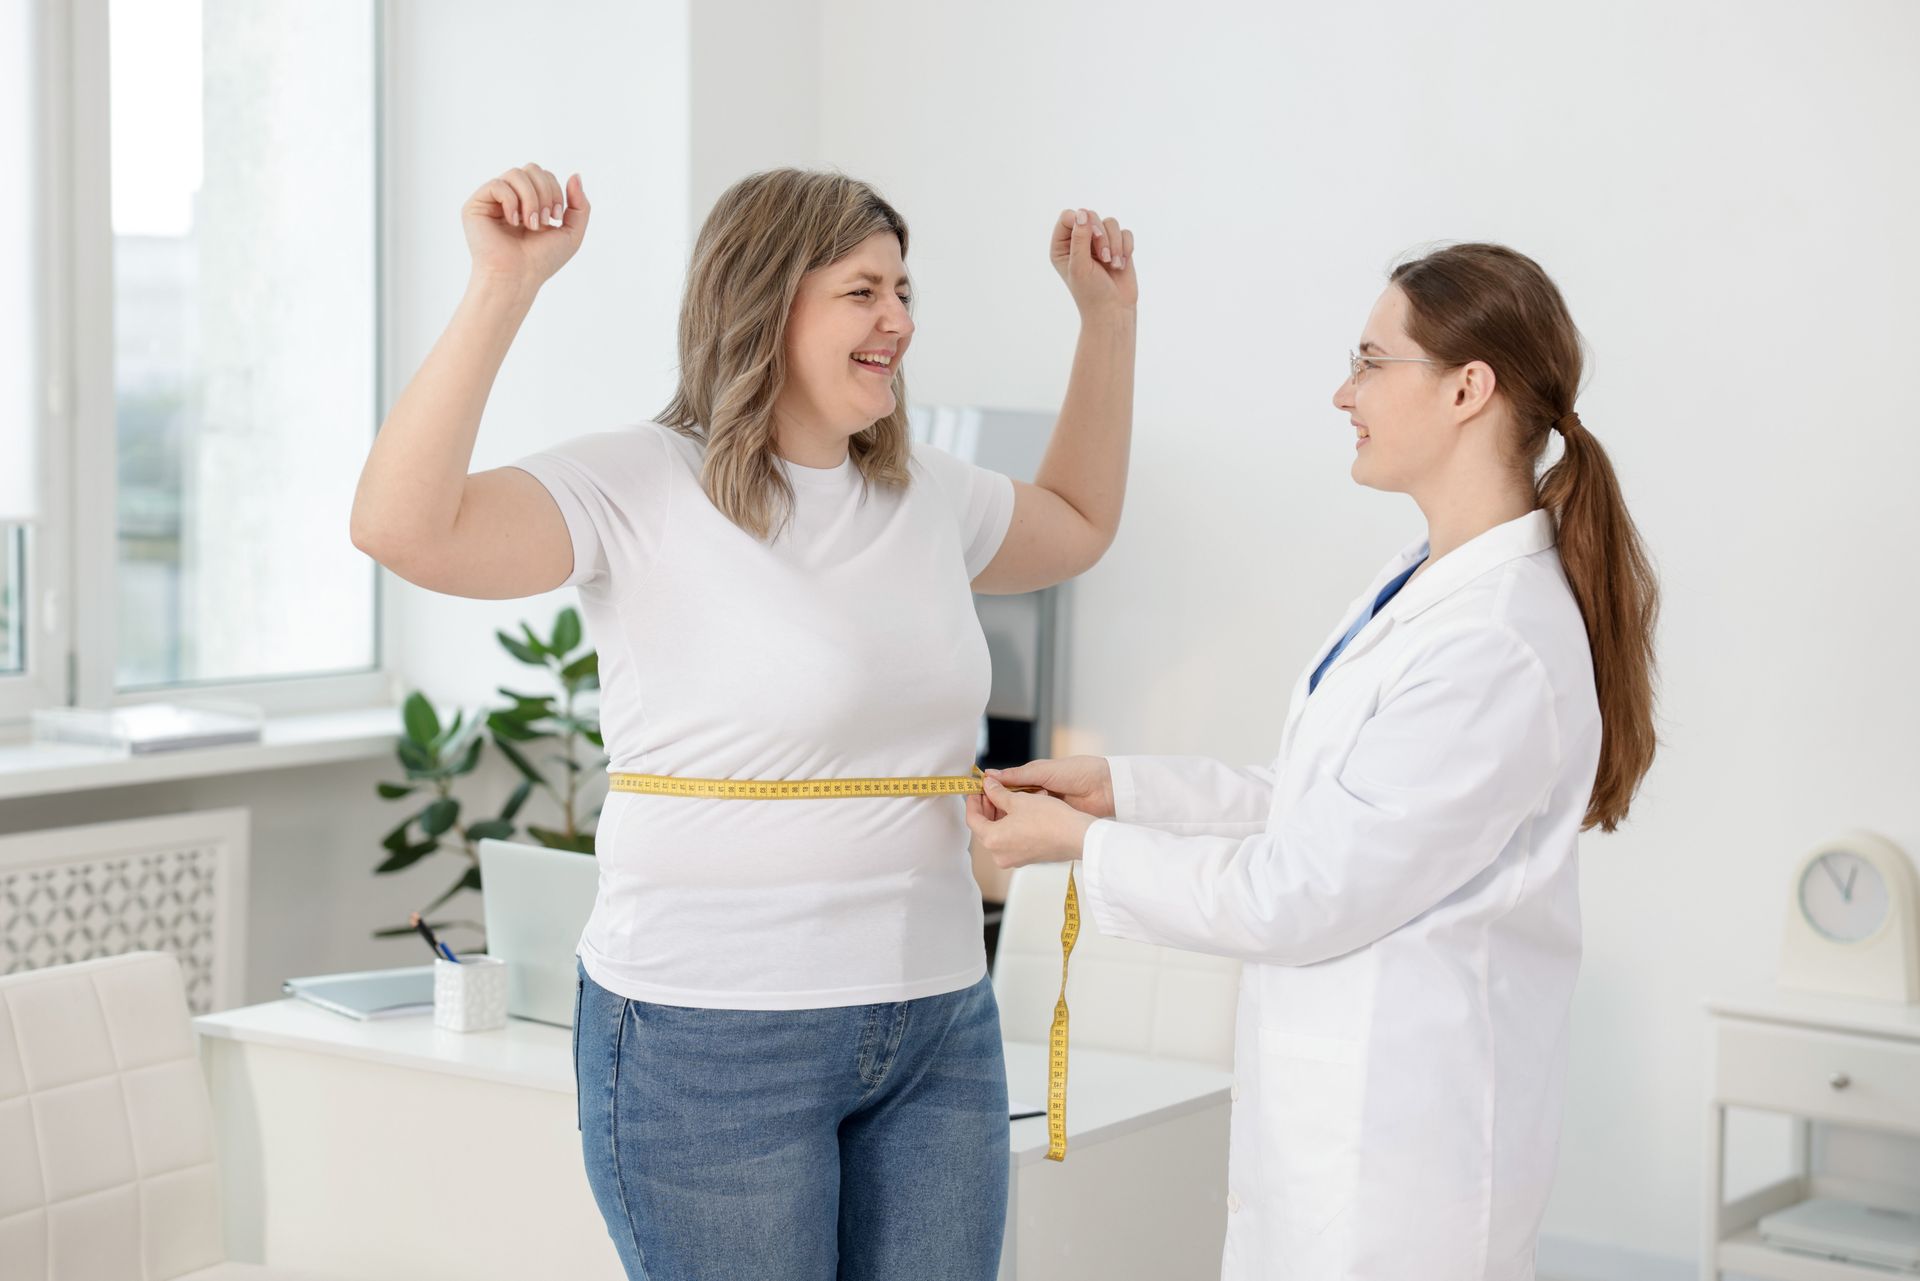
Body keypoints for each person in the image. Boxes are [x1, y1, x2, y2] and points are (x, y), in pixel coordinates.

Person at [349, 163, 1136, 1280]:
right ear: (767, 297)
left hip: (934, 1020)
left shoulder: (926, 496)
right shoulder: (636, 486)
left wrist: (1108, 322)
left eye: (905, 290)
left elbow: (1078, 523)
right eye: (864, 291)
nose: (899, 321)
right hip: (712, 1033)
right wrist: (504, 286)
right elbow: (402, 529)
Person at [967, 242, 1659, 1281]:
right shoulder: (1423, 581)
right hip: (1334, 1138)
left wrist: (1087, 848)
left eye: (1373, 361)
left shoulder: (1498, 642)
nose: (1345, 391)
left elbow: (1303, 891)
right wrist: (1126, 792)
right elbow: (1319, 806)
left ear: (1470, 387)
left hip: (1403, 1174)